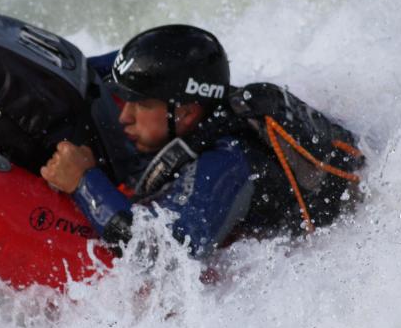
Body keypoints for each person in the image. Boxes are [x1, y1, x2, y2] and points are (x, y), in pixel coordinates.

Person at [41, 25, 355, 258]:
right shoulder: (191, 102)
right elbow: (96, 73)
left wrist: (83, 181)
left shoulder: (226, 162)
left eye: (142, 105)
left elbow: (159, 252)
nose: (125, 116)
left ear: (187, 113)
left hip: (319, 247)